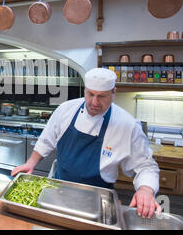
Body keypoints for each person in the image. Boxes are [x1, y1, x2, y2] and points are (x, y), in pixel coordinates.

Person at [11, 67, 161, 219]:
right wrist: (31, 163)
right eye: (90, 94)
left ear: (113, 93)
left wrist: (146, 190)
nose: (94, 102)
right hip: (58, 191)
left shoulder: (127, 125)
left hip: (98, 200)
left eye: (101, 96)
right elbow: (46, 140)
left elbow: (146, 166)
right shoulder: (65, 110)